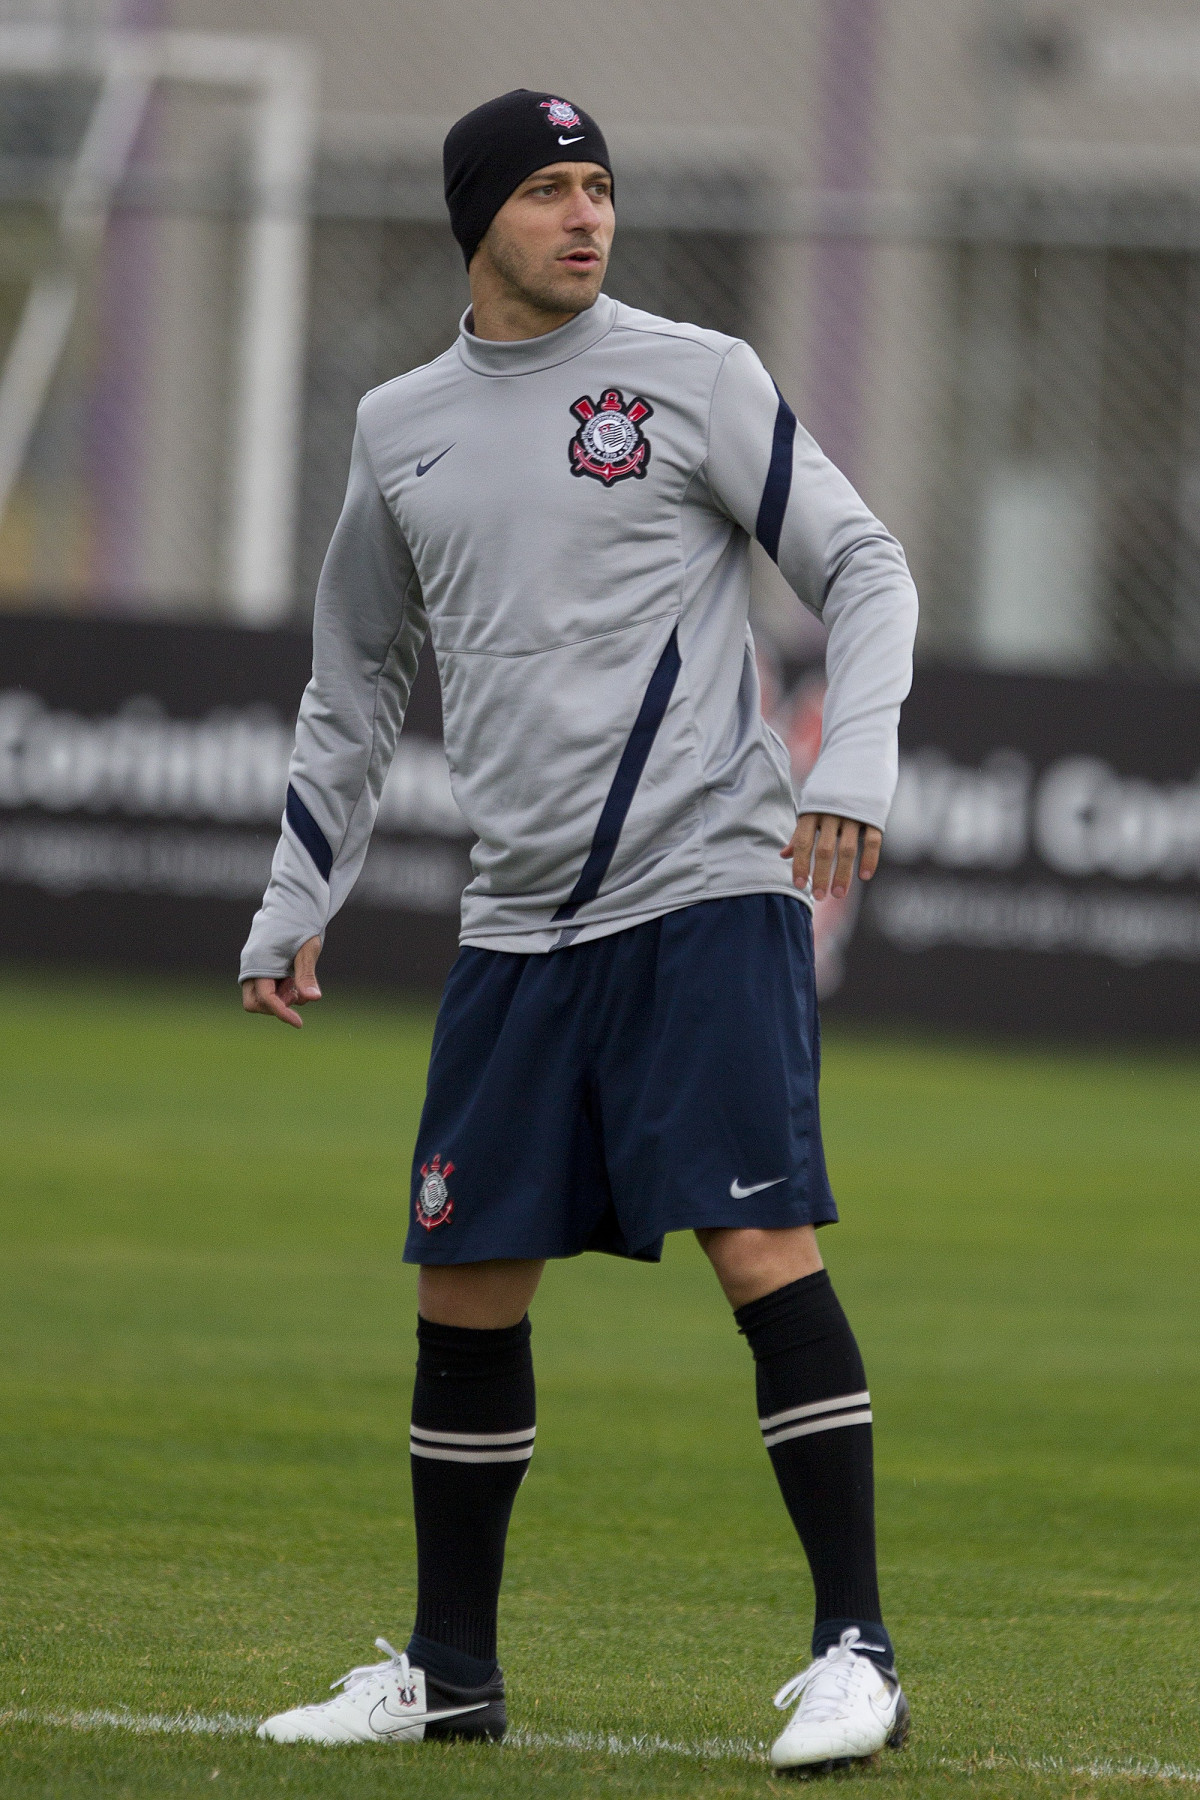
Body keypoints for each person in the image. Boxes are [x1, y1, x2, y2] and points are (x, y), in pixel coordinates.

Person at [240, 89, 919, 1774]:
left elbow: (867, 566)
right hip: (516, 931)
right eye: (549, 189)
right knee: (465, 1289)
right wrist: (295, 893)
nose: (585, 215)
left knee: (763, 1253)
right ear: (480, 218)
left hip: (706, 893)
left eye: (600, 186)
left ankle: (857, 1652)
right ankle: (448, 1673)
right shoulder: (398, 425)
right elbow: (353, 683)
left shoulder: (697, 375)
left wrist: (865, 764)